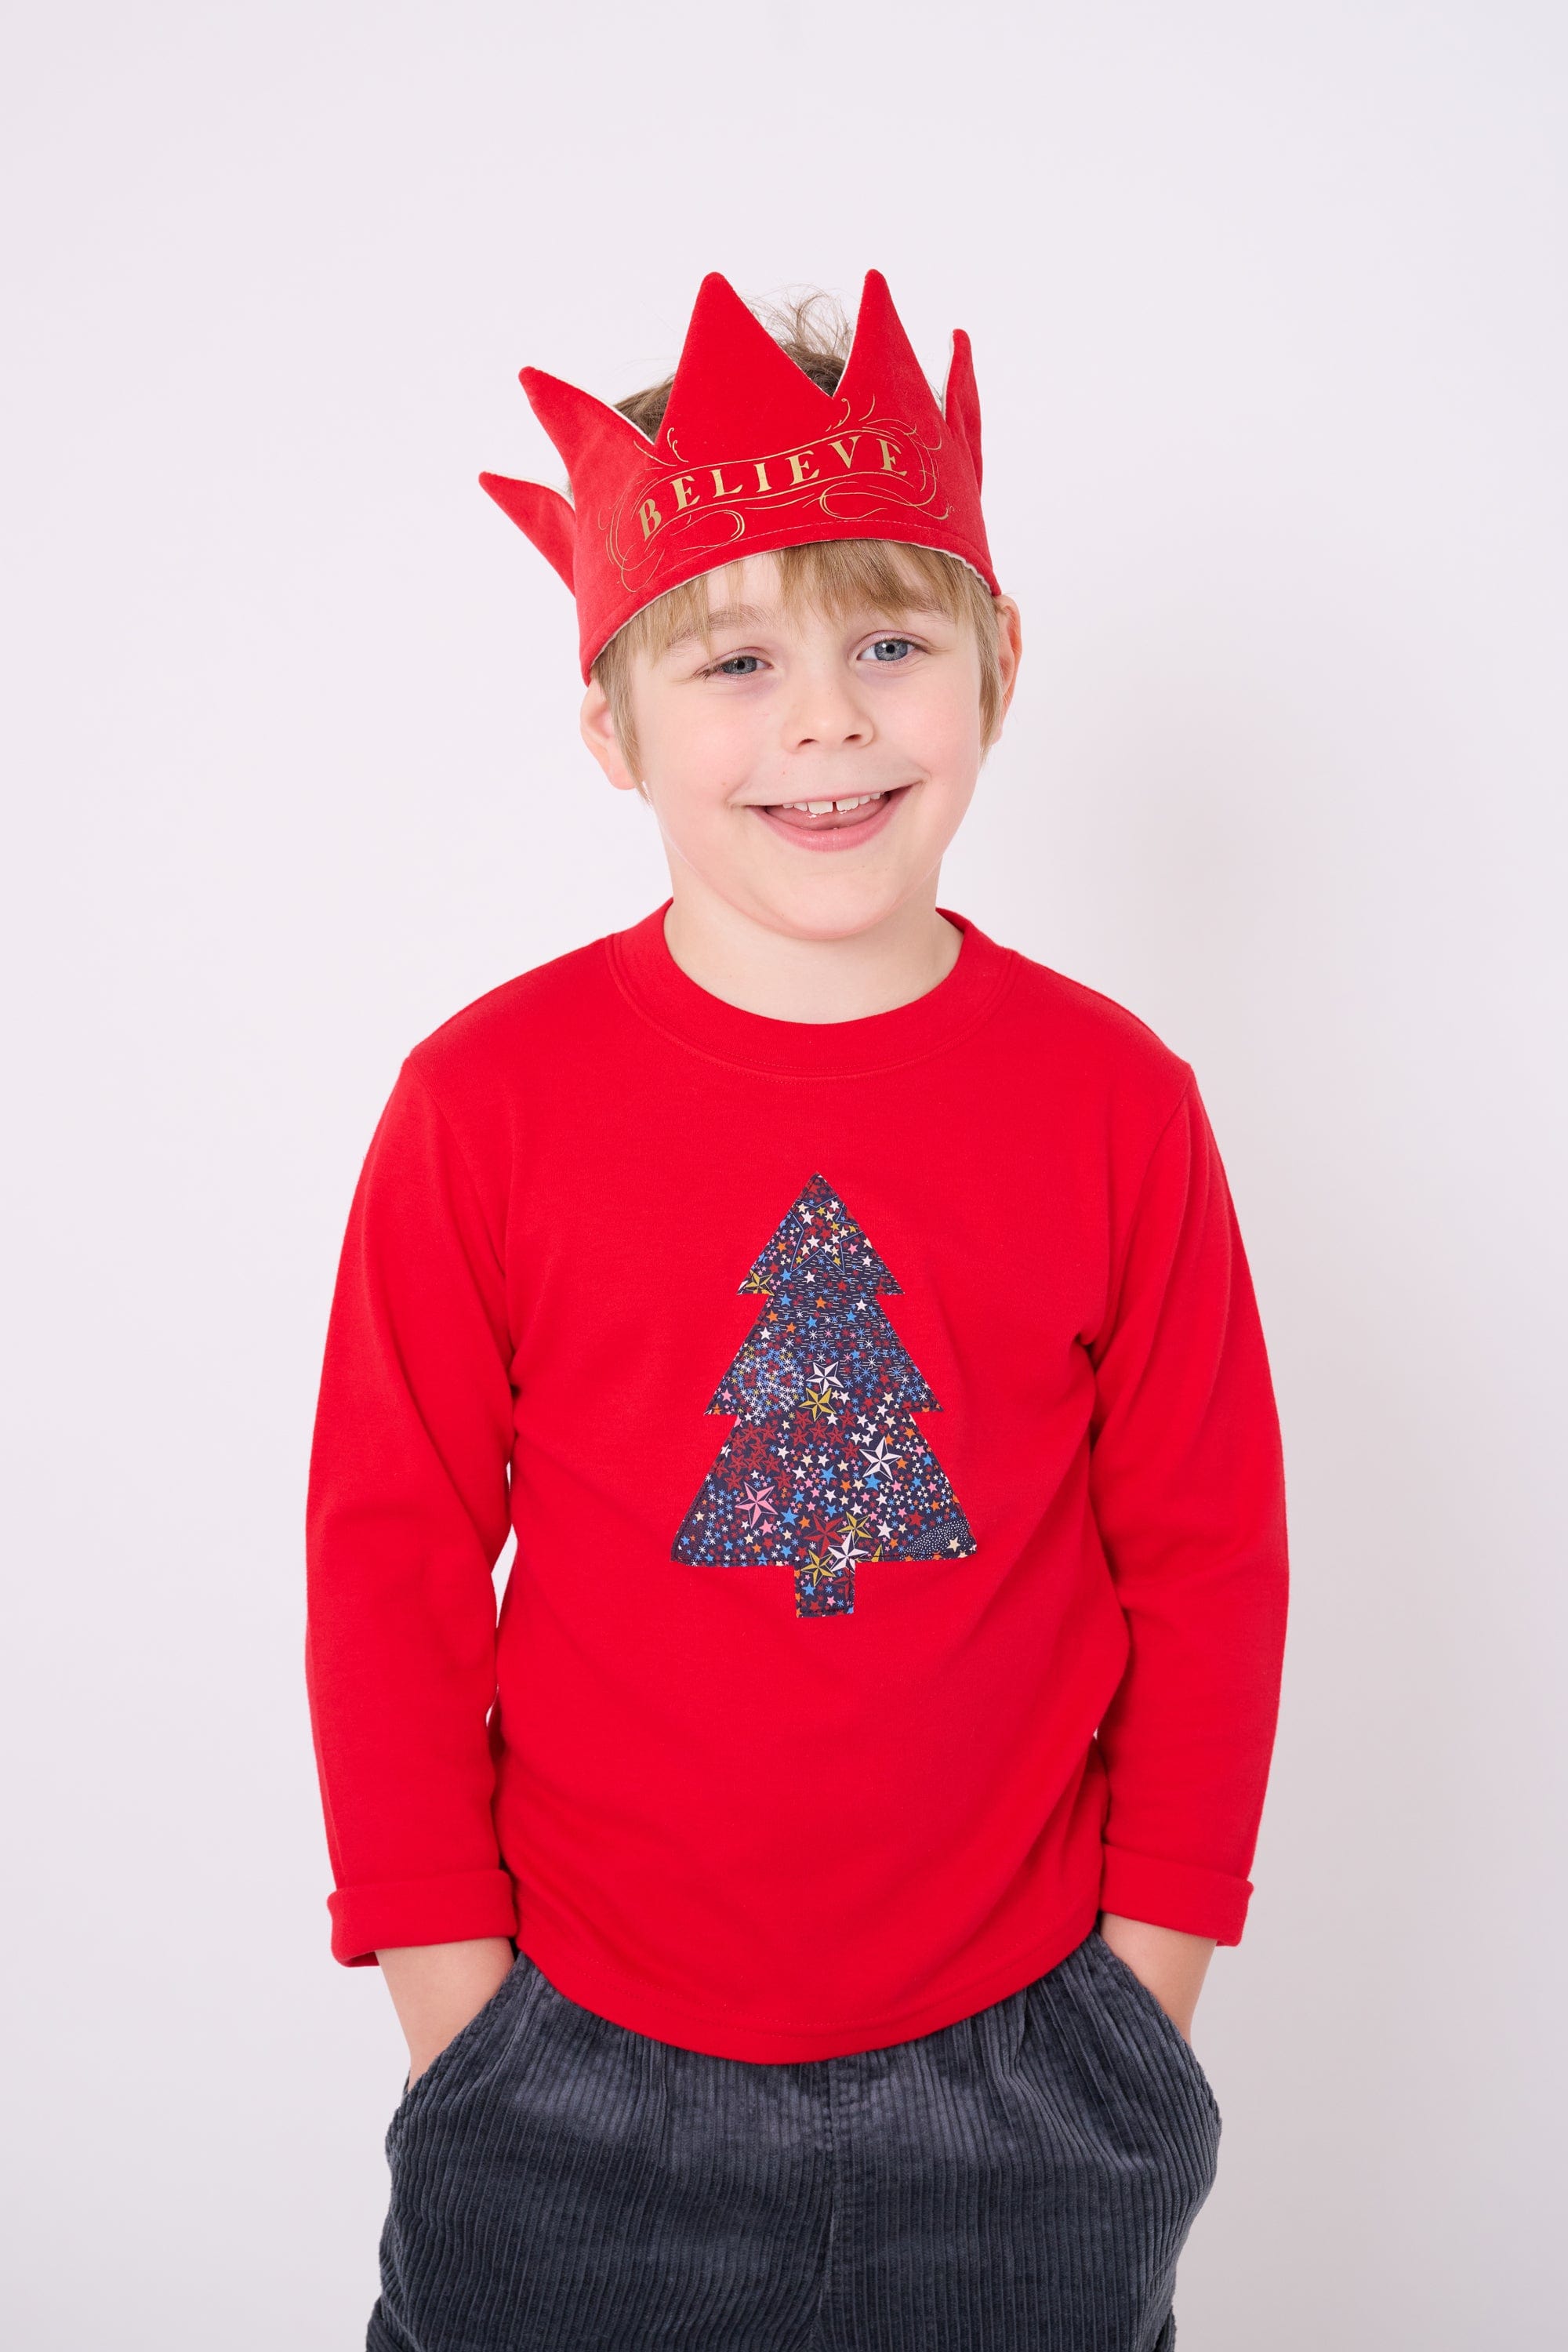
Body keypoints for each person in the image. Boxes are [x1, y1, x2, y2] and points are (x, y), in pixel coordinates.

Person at [304, 267, 1290, 2352]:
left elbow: (1208, 1561)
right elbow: (384, 1562)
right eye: (736, 660)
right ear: (611, 726)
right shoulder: (482, 1105)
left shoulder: (1119, 1103)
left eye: (891, 641)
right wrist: (454, 2019)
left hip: (1032, 2079)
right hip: (568, 2073)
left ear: (999, 665)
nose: (826, 716)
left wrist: (1145, 2005)